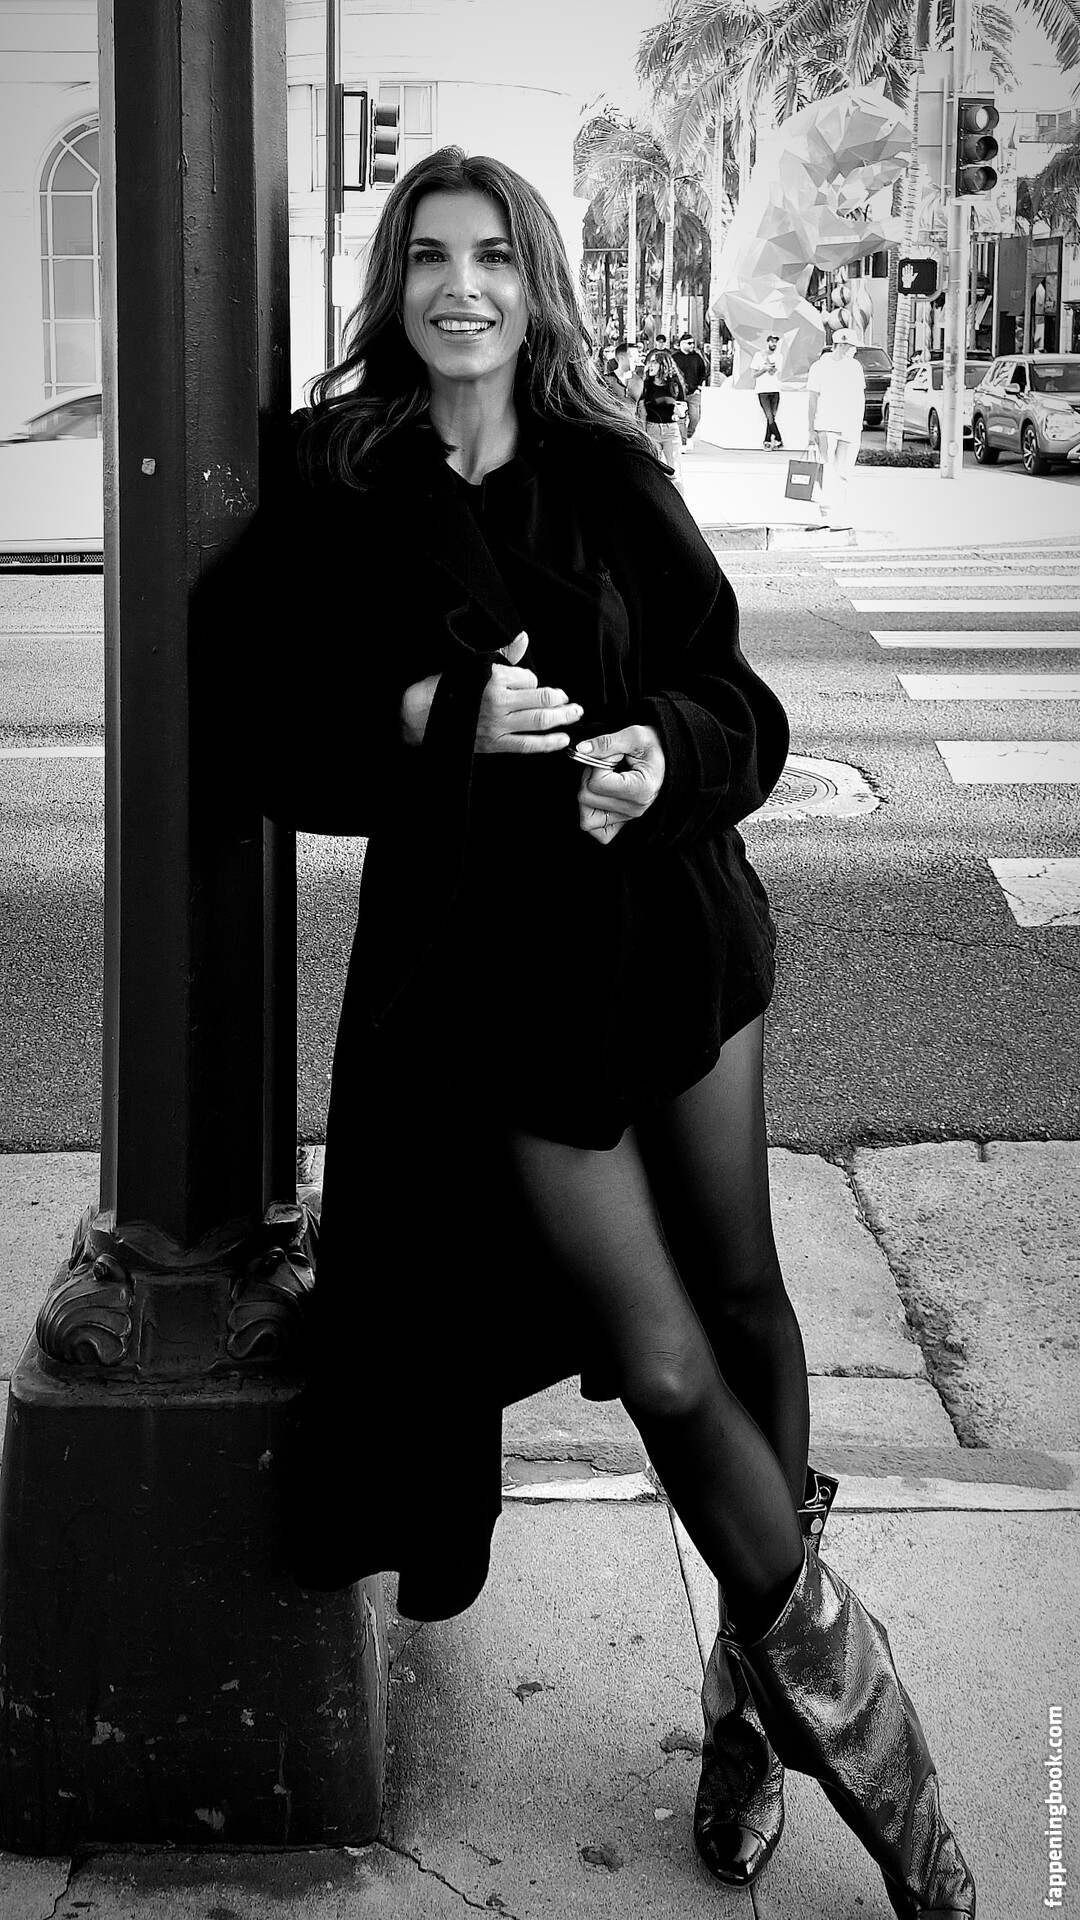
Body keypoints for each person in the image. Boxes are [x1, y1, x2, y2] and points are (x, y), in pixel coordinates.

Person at [222, 148, 974, 1918]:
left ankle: (744, 1697)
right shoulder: (340, 481)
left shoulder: (613, 470)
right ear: (396, 283)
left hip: (673, 934)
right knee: (661, 1360)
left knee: (746, 1301)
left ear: (536, 281)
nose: (462, 287)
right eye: (430, 256)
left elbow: (737, 700)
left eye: (493, 255)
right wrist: (427, 715)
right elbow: (268, 730)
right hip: (501, 985)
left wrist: (663, 756)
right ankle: (891, 1763)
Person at [806, 328, 866, 527]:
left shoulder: (855, 367)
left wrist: (859, 423)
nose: (854, 350)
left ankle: (840, 511)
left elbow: (859, 397)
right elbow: (812, 399)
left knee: (844, 471)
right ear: (842, 345)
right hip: (826, 425)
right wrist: (810, 429)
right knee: (827, 468)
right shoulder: (819, 367)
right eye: (851, 346)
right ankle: (826, 511)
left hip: (849, 426)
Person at [638, 346, 686, 490]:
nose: (650, 365)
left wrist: (679, 409)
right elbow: (641, 410)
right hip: (651, 430)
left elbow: (683, 406)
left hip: (671, 431)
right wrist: (643, 432)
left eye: (654, 362)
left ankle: (680, 502)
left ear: (663, 365)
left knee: (675, 473)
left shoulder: (674, 384)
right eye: (649, 362)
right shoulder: (646, 385)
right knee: (653, 473)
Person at [672, 331, 708, 449]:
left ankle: (688, 436)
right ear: (682, 344)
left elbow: (703, 373)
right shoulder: (675, 358)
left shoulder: (697, 358)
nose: (692, 345)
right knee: (681, 418)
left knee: (695, 417)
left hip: (694, 392)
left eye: (693, 343)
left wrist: (699, 387)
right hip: (678, 394)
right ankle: (682, 442)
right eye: (689, 343)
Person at [750, 332, 784, 447]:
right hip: (762, 391)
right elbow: (753, 375)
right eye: (772, 341)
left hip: (775, 390)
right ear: (767, 342)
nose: (774, 344)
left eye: (775, 342)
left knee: (771, 417)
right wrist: (763, 369)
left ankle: (767, 440)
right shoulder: (758, 355)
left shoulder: (779, 357)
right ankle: (778, 438)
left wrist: (769, 367)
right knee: (769, 416)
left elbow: (774, 372)